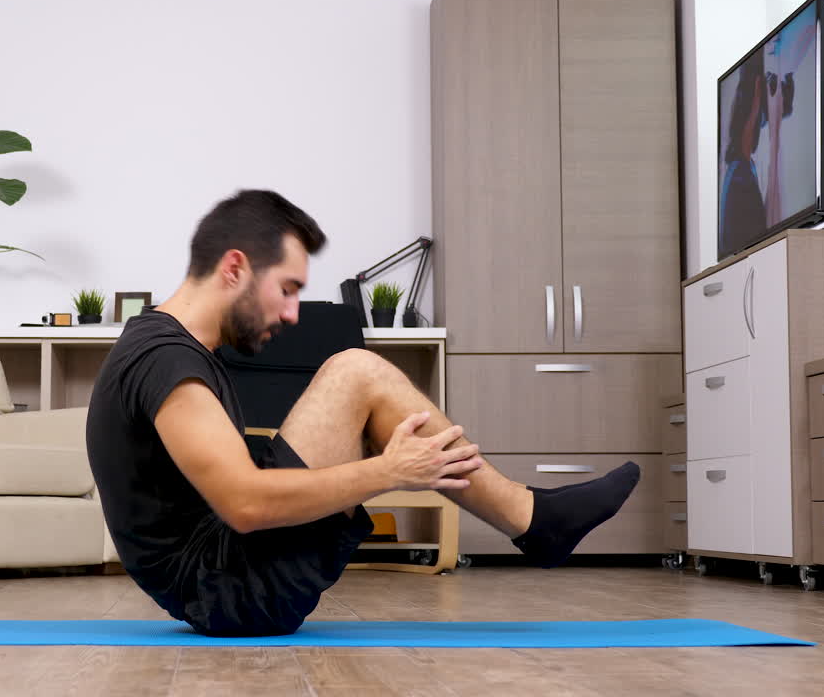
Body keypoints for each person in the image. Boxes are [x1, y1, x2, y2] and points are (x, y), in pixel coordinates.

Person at [86, 189, 639, 637]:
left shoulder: (169, 348)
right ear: (235, 267)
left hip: (223, 573)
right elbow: (246, 504)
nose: (292, 311)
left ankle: (532, 519)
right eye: (286, 289)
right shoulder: (165, 360)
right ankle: (532, 520)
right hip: (230, 588)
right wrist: (389, 472)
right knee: (356, 371)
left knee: (355, 374)